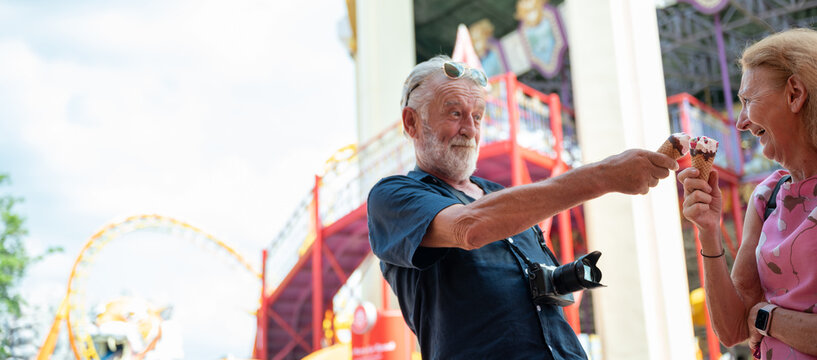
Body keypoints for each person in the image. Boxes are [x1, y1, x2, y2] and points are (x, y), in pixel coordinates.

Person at [367, 55, 678, 359]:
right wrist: (602, 176)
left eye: (477, 116)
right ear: (411, 122)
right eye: (454, 114)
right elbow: (469, 228)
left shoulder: (501, 196)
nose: (470, 129)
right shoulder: (392, 196)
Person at [679, 28, 817, 359]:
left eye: (747, 101)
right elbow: (732, 330)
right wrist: (708, 231)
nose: (740, 122)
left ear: (795, 94)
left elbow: (752, 319)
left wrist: (766, 316)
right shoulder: (766, 197)